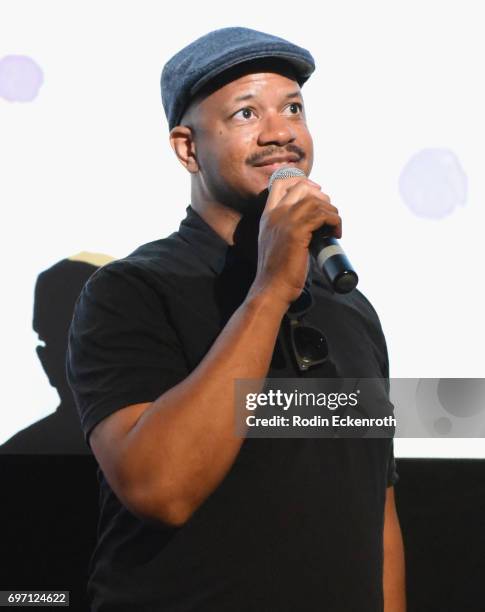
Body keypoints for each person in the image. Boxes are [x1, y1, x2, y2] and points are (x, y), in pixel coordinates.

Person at [66, 26, 406, 612]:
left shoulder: (349, 304)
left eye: (293, 108)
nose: (280, 132)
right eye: (246, 113)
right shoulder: (131, 291)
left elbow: (375, 510)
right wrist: (271, 286)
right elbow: (160, 489)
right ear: (187, 148)